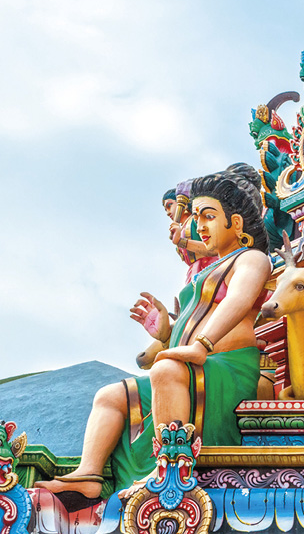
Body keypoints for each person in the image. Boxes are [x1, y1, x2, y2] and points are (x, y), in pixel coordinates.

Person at [35, 165, 272, 509]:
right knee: (111, 396)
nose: (199, 226)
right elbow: (191, 325)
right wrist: (165, 333)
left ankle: (170, 471)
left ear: (236, 224)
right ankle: (89, 476)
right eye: (197, 216)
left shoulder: (252, 259)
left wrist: (200, 346)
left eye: (208, 216)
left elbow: (237, 301)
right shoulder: (205, 271)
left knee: (165, 371)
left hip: (230, 367)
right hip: (195, 363)